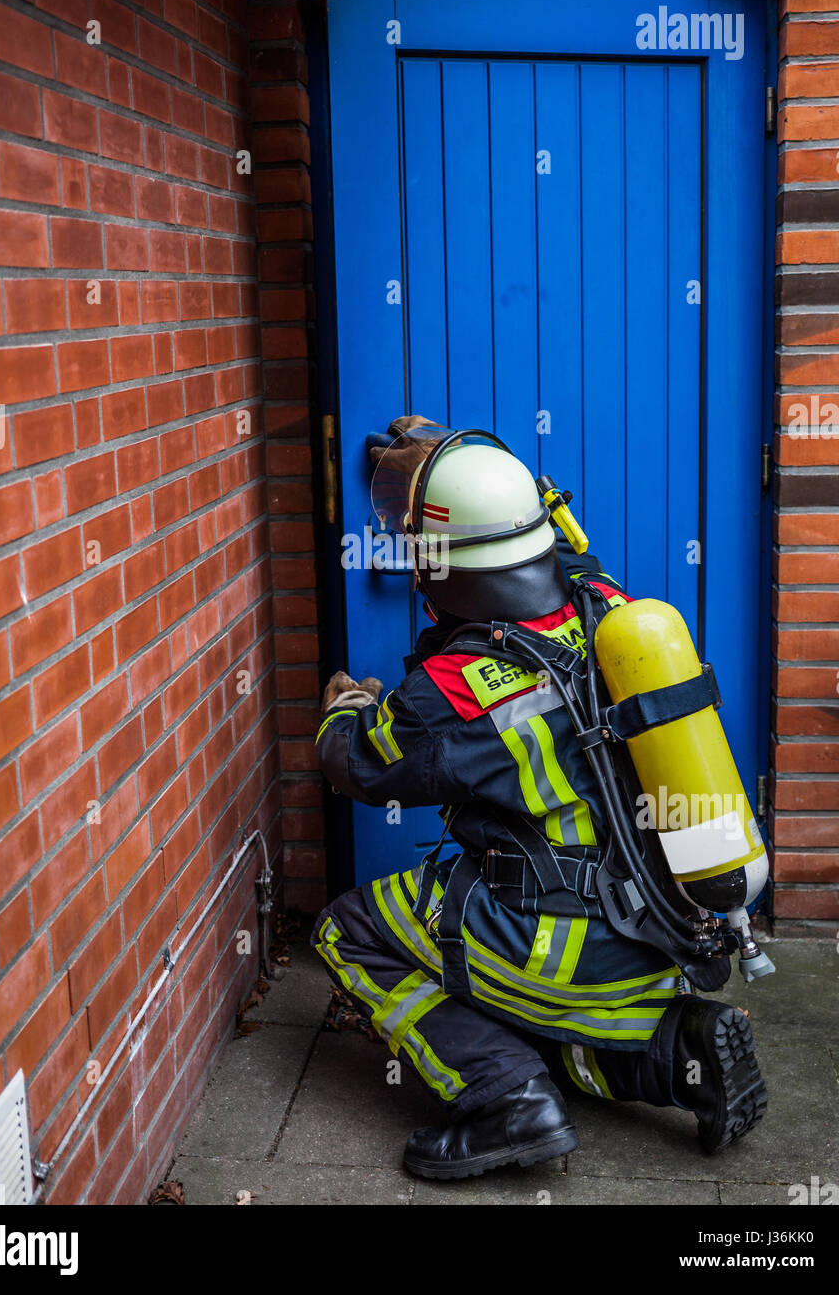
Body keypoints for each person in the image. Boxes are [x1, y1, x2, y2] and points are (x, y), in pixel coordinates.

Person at [311, 420, 767, 1181]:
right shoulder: (607, 606)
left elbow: (359, 764)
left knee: (347, 930)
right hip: (660, 929)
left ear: (439, 565)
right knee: (553, 1041)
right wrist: (464, 473)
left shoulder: (454, 686)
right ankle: (680, 1055)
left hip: (558, 943)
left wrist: (345, 703)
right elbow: (559, 542)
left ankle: (505, 1102)